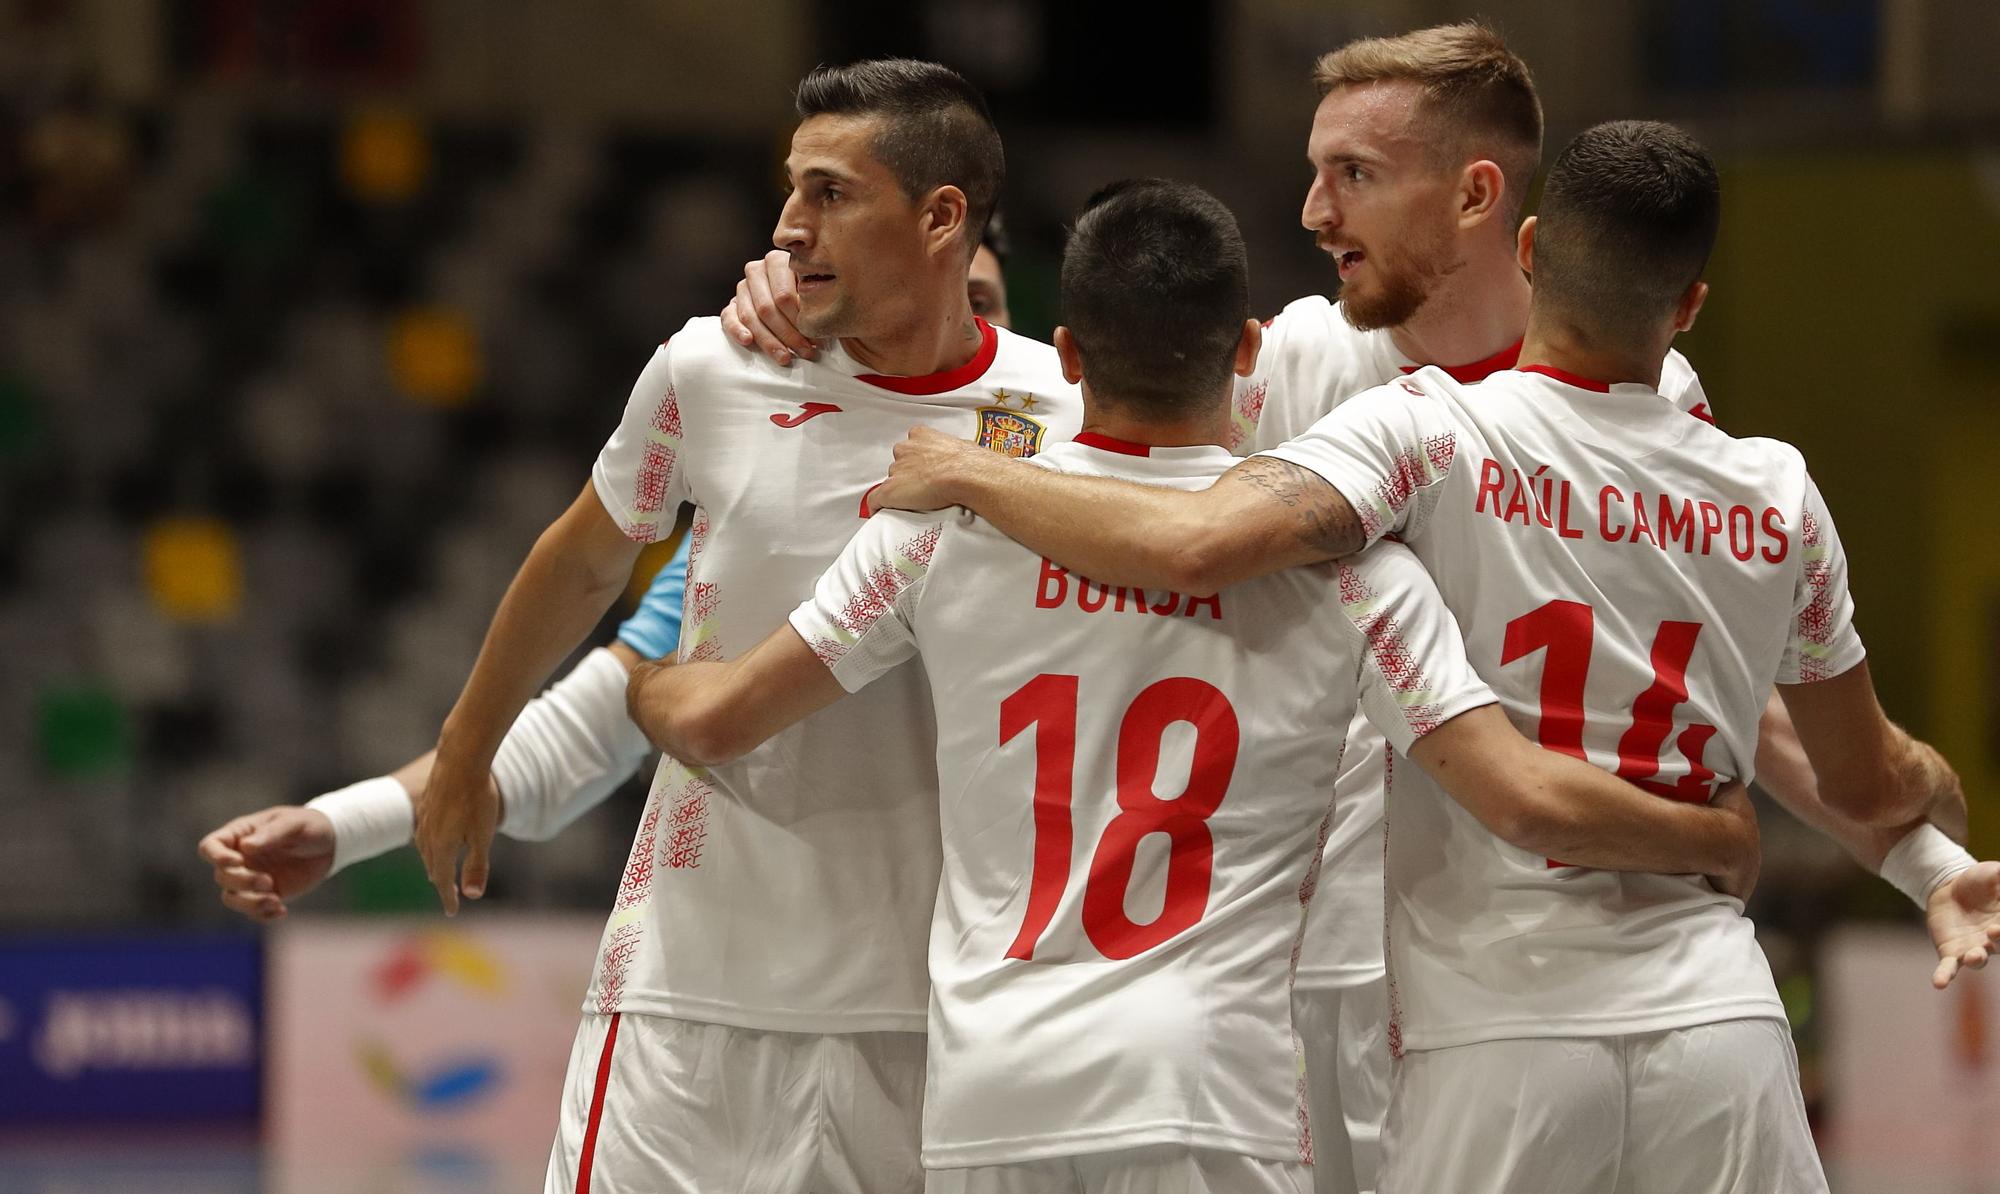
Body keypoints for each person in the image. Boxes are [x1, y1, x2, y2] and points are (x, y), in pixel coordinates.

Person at [719, 25, 1982, 1192]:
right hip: (1287, 951)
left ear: (1485, 204)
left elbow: (1728, 696)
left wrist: (1910, 855)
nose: (1313, 209)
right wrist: (805, 314)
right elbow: (1111, 463)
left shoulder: (1634, 396)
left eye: (1353, 174)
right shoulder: (1306, 352)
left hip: (1465, 981)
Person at [625, 177, 1758, 1194]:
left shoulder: (937, 529)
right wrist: (1708, 839)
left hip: (992, 1098)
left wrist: (640, 686)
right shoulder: (1350, 573)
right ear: (1252, 349)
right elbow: (1522, 800)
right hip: (1218, 1097)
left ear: (1065, 356)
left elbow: (717, 722)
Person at [415, 59, 1083, 1193]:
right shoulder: (712, 367)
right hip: (692, 987)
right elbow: (583, 560)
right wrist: (464, 752)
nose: (787, 225)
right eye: (790, 190)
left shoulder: (1057, 409)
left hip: (931, 1008)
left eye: (830, 193)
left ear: (939, 217)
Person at [195, 219, 1017, 920]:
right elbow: (580, 734)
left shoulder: (1061, 499)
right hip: (802, 970)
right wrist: (344, 826)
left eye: (979, 303)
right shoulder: (737, 551)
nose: (944, 318)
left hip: (989, 963)